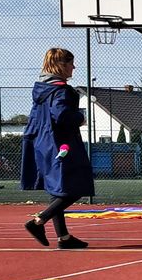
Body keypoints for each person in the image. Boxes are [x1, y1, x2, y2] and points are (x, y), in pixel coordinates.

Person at [20, 47, 94, 249]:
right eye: (71, 63)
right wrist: (80, 117)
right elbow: (61, 115)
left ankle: (64, 237)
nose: (74, 67)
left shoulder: (41, 90)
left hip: (40, 143)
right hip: (60, 144)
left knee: (57, 189)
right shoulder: (61, 91)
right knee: (77, 185)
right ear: (61, 65)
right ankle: (39, 221)